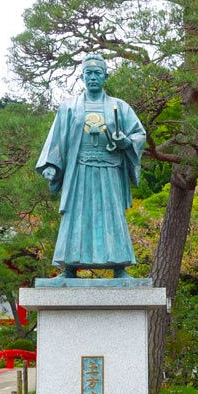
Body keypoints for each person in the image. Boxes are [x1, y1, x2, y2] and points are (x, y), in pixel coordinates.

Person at [36, 54, 146, 278]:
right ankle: (69, 267)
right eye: (89, 73)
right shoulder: (69, 108)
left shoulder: (119, 107)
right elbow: (57, 139)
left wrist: (126, 142)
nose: (93, 77)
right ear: (82, 77)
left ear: (105, 77)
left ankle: (119, 267)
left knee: (112, 215)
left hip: (109, 170)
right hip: (79, 171)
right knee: (75, 216)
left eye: (98, 73)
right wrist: (51, 165)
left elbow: (139, 134)